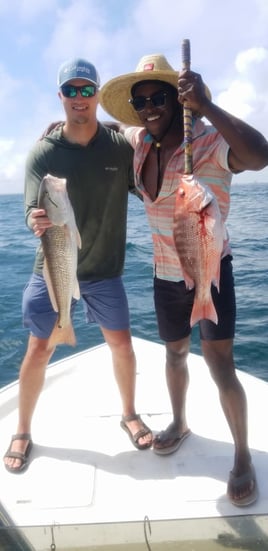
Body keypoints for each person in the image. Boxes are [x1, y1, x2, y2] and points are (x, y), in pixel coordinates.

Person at [99, 53, 268, 506]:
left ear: (180, 100)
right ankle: (179, 422)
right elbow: (113, 129)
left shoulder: (211, 145)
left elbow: (260, 155)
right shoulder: (139, 141)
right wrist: (59, 133)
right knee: (174, 356)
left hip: (210, 269)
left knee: (220, 365)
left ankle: (241, 456)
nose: (149, 107)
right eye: (142, 102)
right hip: (164, 276)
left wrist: (207, 107)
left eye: (159, 97)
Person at [3, 57, 153, 474]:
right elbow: (32, 210)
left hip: (104, 269)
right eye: (72, 90)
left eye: (87, 90)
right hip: (51, 267)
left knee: (122, 344)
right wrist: (34, 218)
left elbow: (148, 188)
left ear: (98, 95)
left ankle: (128, 413)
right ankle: (23, 430)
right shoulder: (43, 152)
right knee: (38, 349)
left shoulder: (119, 147)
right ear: (61, 97)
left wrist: (126, 131)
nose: (80, 98)